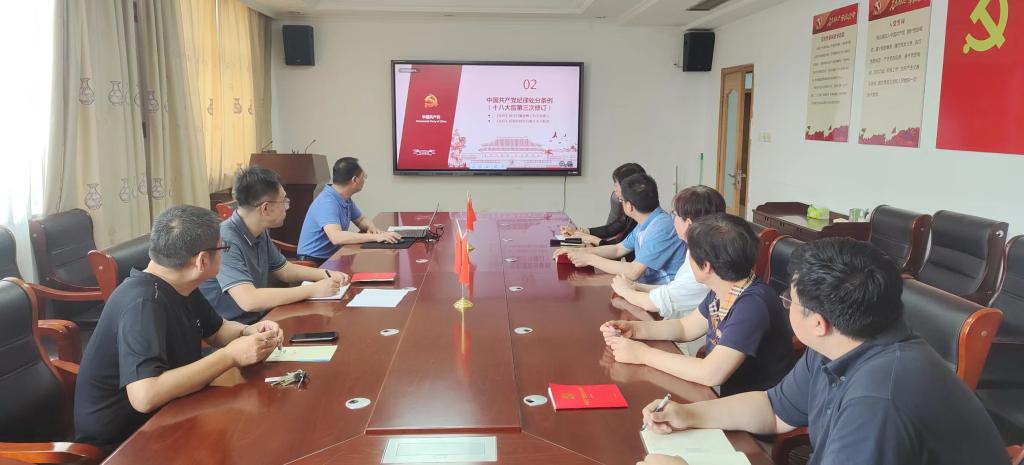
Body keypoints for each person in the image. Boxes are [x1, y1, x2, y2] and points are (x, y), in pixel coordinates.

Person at [636, 238, 1010, 465]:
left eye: (790, 300)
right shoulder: (838, 343)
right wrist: (688, 414)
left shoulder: (880, 398)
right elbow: (773, 410)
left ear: (818, 322)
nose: (786, 304)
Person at [74, 205, 286, 452]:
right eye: (223, 248)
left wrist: (248, 332)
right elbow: (145, 396)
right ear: (202, 260)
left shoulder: (179, 283)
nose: (224, 253)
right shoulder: (142, 304)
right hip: (125, 444)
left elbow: (217, 330)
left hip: (170, 414)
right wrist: (230, 355)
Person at [601, 213, 793, 397]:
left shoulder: (753, 305)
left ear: (706, 266)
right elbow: (685, 327)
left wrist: (643, 355)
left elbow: (710, 373)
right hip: (728, 394)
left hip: (755, 406)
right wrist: (635, 330)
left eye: (690, 254)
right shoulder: (724, 287)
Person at [199, 167, 350, 324]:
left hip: (258, 319)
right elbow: (249, 300)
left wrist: (326, 273)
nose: (287, 207)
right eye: (284, 201)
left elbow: (284, 270)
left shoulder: (258, 230)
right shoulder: (225, 240)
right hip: (232, 328)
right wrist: (313, 290)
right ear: (265, 208)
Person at [610, 185, 724, 319]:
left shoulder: (704, 264)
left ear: (688, 224)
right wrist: (635, 286)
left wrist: (624, 290)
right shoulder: (700, 249)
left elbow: (654, 303)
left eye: (675, 214)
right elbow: (673, 289)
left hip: (684, 327)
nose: (672, 219)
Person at [553, 173, 685, 285]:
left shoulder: (661, 226)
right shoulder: (647, 222)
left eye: (621, 200)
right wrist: (578, 251)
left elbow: (633, 271)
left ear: (629, 206)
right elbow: (618, 249)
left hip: (663, 296)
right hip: (645, 288)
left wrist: (589, 259)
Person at [297, 157, 402, 263]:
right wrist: (376, 237)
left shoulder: (344, 198)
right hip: (314, 262)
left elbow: (360, 219)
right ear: (355, 180)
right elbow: (336, 237)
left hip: (333, 256)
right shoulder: (327, 202)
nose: (364, 180)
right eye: (364, 177)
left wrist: (372, 227)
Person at [559, 163, 646, 247]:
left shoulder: (642, 221)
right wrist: (581, 232)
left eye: (616, 185)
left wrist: (587, 239)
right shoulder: (634, 209)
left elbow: (619, 249)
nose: (614, 189)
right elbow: (618, 242)